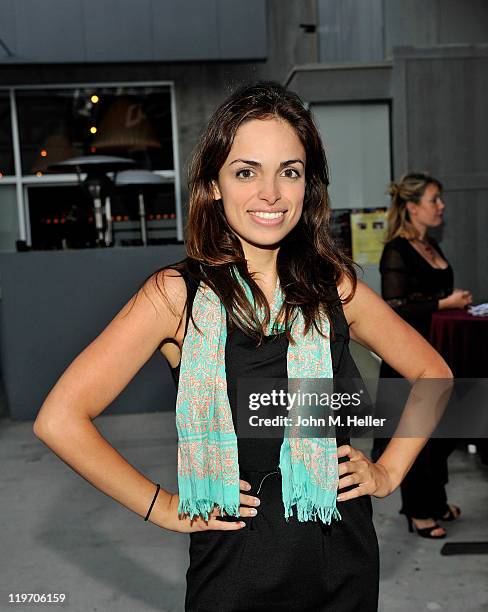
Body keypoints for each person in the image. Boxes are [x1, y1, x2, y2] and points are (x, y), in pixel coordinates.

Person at [33, 84, 452, 611]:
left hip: (343, 564)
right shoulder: (175, 295)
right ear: (213, 184)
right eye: (246, 170)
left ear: (309, 186)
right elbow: (60, 419)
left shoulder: (337, 289)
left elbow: (434, 376)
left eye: (290, 171)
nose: (271, 193)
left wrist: (388, 473)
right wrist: (162, 506)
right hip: (235, 575)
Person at [373, 172, 472, 539]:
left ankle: (436, 501)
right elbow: (394, 306)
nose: (441, 205)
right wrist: (444, 302)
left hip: (438, 354)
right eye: (434, 200)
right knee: (418, 435)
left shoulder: (431, 245)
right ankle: (418, 511)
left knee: (442, 435)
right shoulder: (396, 249)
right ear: (412, 207)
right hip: (409, 362)